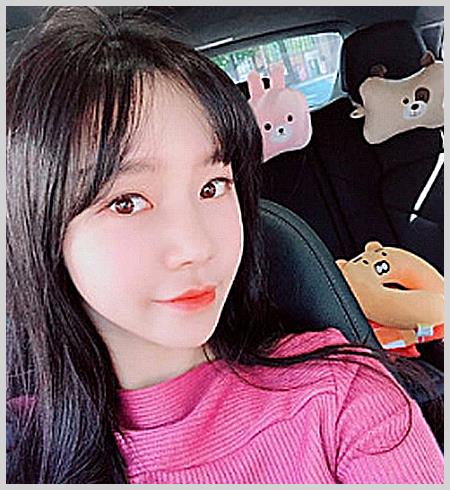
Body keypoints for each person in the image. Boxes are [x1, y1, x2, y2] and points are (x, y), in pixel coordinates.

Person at [6, 7, 444, 484]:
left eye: (213, 186)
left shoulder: (341, 397)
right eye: (126, 202)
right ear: (42, 225)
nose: (196, 247)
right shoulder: (19, 448)